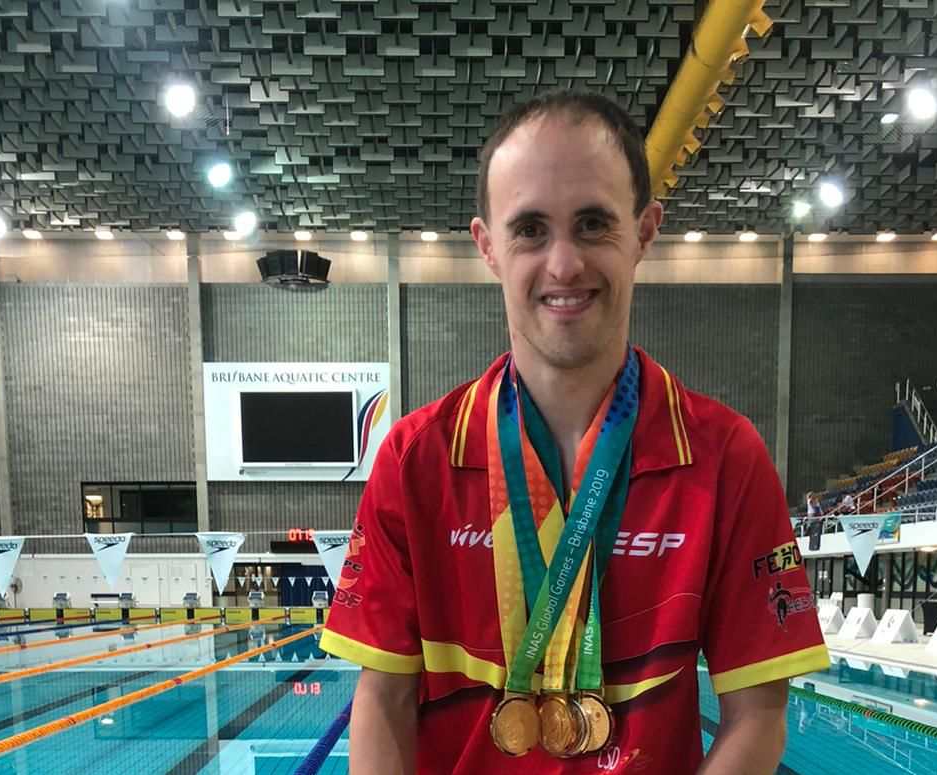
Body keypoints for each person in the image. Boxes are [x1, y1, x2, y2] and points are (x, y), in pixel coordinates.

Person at [320, 92, 828, 774]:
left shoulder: (723, 458)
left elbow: (758, 713)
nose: (563, 265)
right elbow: (381, 699)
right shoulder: (416, 460)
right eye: (530, 228)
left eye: (593, 224)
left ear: (645, 232)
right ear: (488, 245)